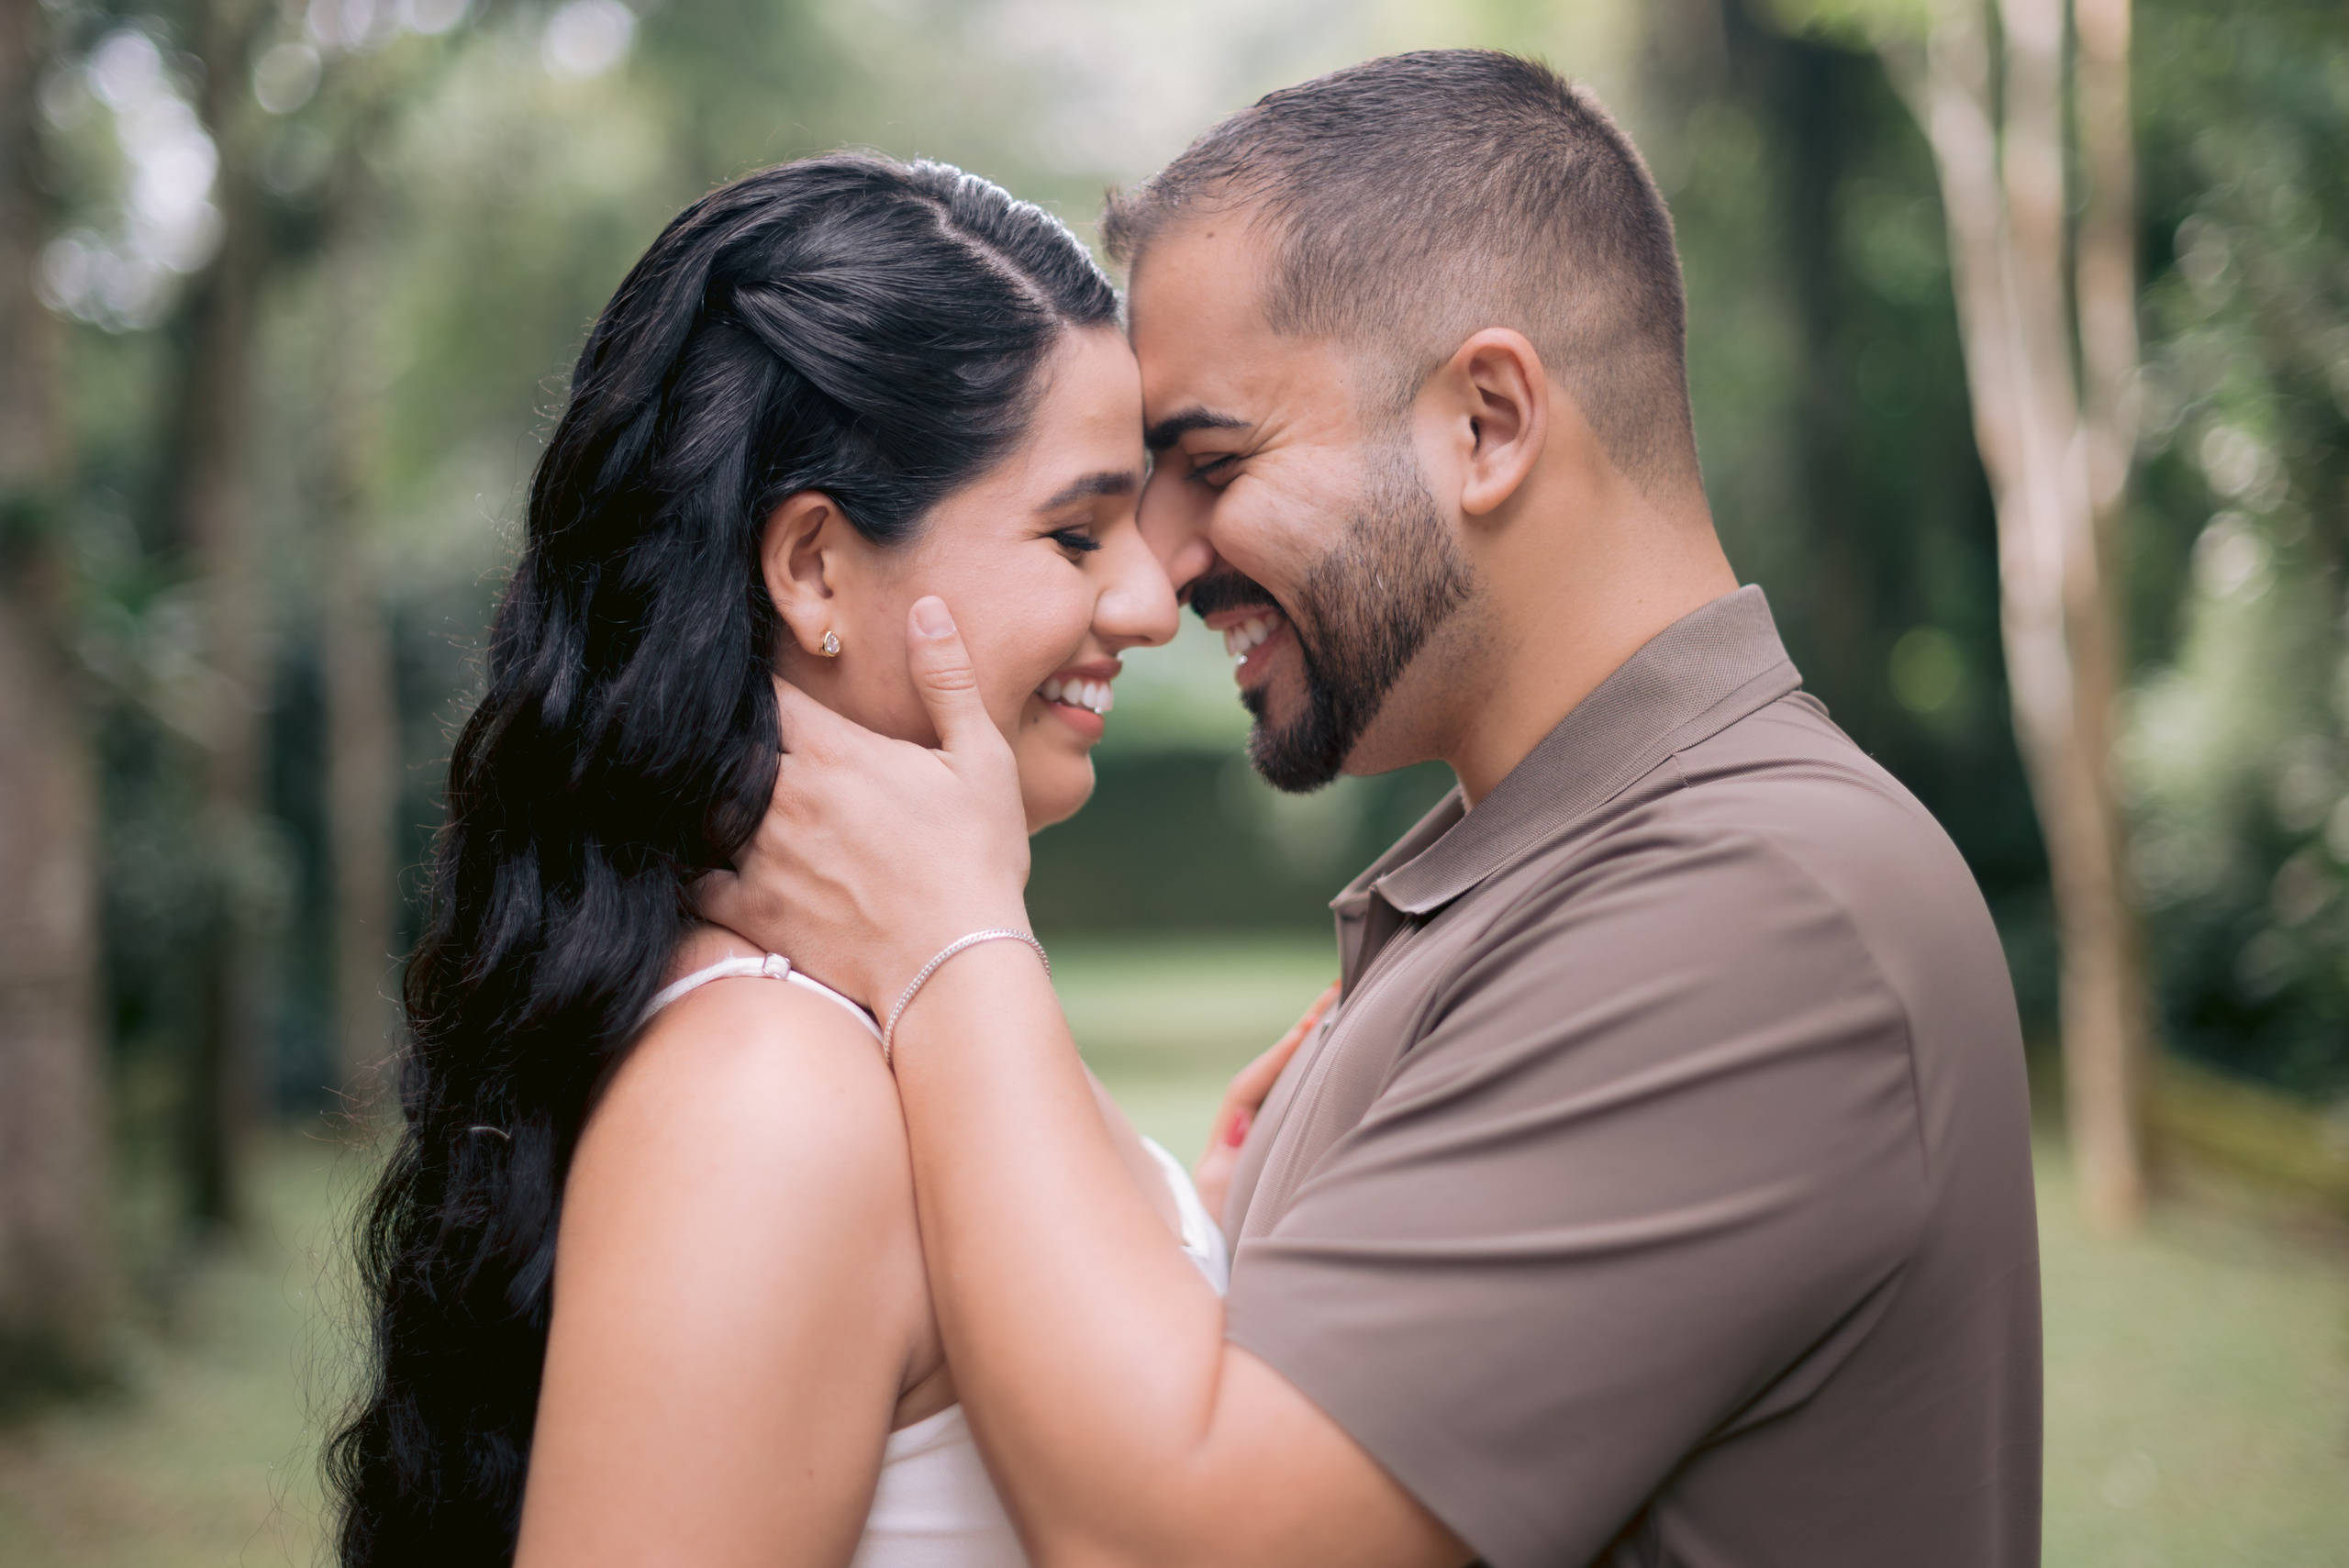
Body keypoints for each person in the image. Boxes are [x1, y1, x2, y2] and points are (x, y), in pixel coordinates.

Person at [702, 50, 2043, 1568]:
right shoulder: (1566, 873)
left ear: (1487, 423)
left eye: (1209, 462)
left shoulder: (1762, 908)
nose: (1155, 568)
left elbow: (1177, 1545)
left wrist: (948, 938)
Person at [325, 152, 1269, 1568]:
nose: (1146, 599)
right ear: (816, 568)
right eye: (1077, 531)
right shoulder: (771, 1095)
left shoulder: (922, 989)